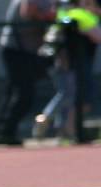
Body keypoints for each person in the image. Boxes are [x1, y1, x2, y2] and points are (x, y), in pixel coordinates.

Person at [32, 0, 101, 139]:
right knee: (69, 94)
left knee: (69, 96)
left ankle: (62, 131)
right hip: (68, 63)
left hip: (58, 62)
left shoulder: (65, 13)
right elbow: (98, 37)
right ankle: (48, 119)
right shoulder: (82, 15)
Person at [0, 0, 56, 145]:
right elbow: (28, 11)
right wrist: (48, 16)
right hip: (16, 50)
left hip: (27, 51)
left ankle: (2, 132)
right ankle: (4, 132)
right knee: (24, 93)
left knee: (14, 92)